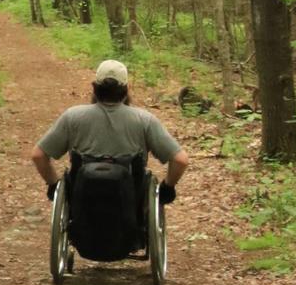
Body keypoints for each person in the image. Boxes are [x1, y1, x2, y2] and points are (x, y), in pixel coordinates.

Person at [30, 59, 189, 208]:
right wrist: (168, 187)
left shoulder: (72, 117)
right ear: (126, 89)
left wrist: (53, 185)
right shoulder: (144, 120)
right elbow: (180, 160)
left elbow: (39, 155)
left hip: (83, 202)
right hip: (131, 203)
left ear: (94, 88)